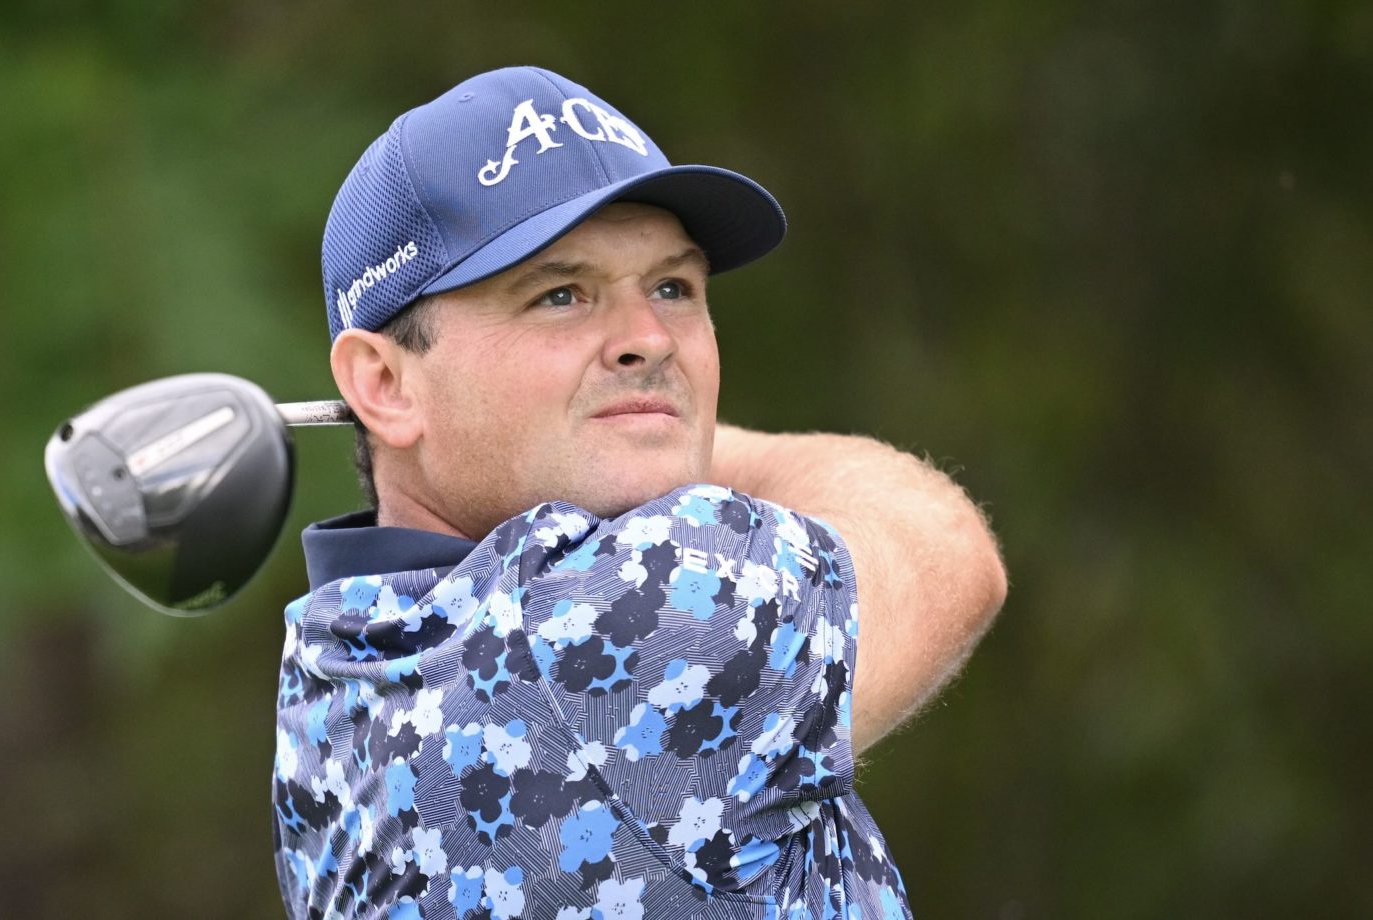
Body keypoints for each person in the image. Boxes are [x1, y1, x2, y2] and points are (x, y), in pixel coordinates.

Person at [273, 67, 1006, 920]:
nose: (650, 339)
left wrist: (618, 426)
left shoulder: (331, 665)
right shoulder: (639, 613)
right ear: (386, 385)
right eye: (559, 295)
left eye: (672, 287)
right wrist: (662, 437)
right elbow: (942, 551)